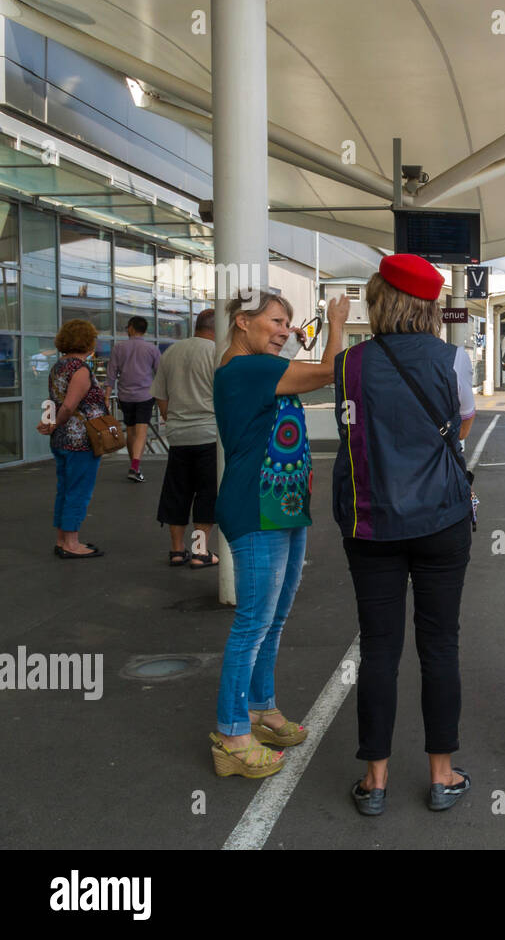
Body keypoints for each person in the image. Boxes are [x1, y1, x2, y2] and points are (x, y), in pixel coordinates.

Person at [333, 254, 477, 816]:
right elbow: (461, 423)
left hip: (370, 524)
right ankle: (442, 776)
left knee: (379, 647)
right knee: (440, 644)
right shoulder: (453, 359)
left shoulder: (348, 364)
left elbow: (350, 429)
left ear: (379, 303)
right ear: (429, 307)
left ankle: (375, 781)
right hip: (441, 519)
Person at [208, 288, 348, 779]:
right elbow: (333, 370)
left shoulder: (258, 366)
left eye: (288, 322)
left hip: (282, 507)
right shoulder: (245, 370)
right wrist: (337, 325)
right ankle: (231, 733)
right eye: (275, 321)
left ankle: (261, 709)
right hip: (256, 507)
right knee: (253, 621)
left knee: (274, 616)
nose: (285, 330)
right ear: (242, 323)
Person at [37, 319, 109, 559]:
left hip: (61, 440)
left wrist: (50, 424)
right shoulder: (80, 369)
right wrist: (56, 422)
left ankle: (62, 539)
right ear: (87, 340)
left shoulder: (58, 366)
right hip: (80, 440)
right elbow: (69, 406)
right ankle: (72, 543)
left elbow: (54, 402)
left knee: (65, 489)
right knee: (79, 491)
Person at [152, 308, 218, 567]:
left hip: (178, 435)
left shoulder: (171, 352)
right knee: (206, 495)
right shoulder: (216, 353)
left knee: (177, 492)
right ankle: (200, 552)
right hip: (209, 433)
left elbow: (160, 395)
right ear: (218, 328)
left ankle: (177, 550)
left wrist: (172, 420)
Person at [106, 315, 161, 483]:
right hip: (145, 395)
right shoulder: (152, 349)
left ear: (131, 328)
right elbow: (160, 373)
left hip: (125, 395)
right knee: (141, 431)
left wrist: (107, 396)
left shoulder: (118, 348)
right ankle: (135, 467)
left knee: (130, 430)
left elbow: (111, 374)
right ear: (144, 330)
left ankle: (134, 465)